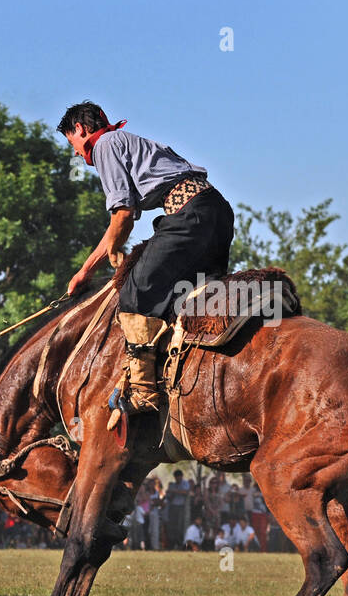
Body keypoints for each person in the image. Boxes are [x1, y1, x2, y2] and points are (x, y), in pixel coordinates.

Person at [58, 101, 235, 414]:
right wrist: (86, 271)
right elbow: (118, 226)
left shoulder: (105, 145)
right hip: (214, 212)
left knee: (133, 292)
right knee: (189, 297)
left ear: (81, 131)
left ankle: (143, 394)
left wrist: (111, 252)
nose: (75, 152)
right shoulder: (127, 143)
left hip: (187, 216)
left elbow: (123, 216)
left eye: (72, 142)